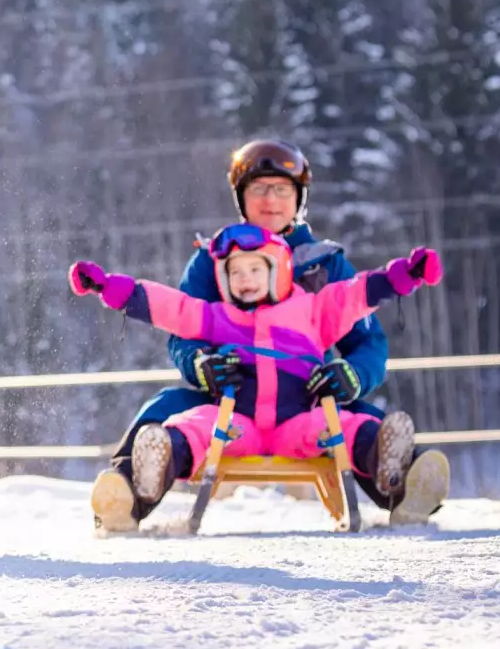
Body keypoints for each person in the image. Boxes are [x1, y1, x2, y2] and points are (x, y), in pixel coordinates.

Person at [90, 139, 397, 532]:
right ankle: (125, 495)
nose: (271, 200)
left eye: (282, 189)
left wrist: (351, 375)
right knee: (167, 409)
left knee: (359, 419)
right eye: (258, 189)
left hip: (304, 393)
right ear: (241, 197)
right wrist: (202, 366)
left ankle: (405, 483)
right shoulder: (216, 258)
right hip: (228, 390)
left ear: (299, 198)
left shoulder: (325, 262)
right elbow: (184, 324)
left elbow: (366, 339)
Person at [70, 227, 449, 525]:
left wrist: (405, 275)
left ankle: (391, 466)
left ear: (278, 270)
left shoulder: (312, 311)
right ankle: (156, 462)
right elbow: (173, 308)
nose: (244, 279)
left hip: (300, 422)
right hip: (237, 423)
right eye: (234, 272)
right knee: (196, 423)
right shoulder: (221, 317)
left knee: (347, 425)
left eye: (255, 269)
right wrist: (109, 287)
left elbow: (355, 295)